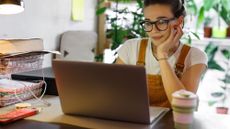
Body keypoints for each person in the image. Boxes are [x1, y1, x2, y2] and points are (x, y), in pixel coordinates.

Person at [116, 0, 207, 108]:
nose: (154, 30)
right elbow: (114, 93)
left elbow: (183, 106)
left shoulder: (195, 56)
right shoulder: (130, 48)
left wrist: (162, 54)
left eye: (161, 21)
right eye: (148, 23)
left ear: (179, 22)